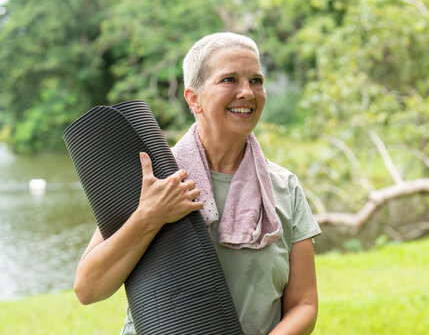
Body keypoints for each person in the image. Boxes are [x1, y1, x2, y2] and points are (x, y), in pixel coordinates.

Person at [73, 32, 321, 335]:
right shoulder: (156, 179)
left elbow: (304, 304)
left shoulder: (285, 187)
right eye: (229, 79)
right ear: (194, 98)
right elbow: (88, 288)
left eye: (256, 80)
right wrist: (149, 216)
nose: (247, 92)